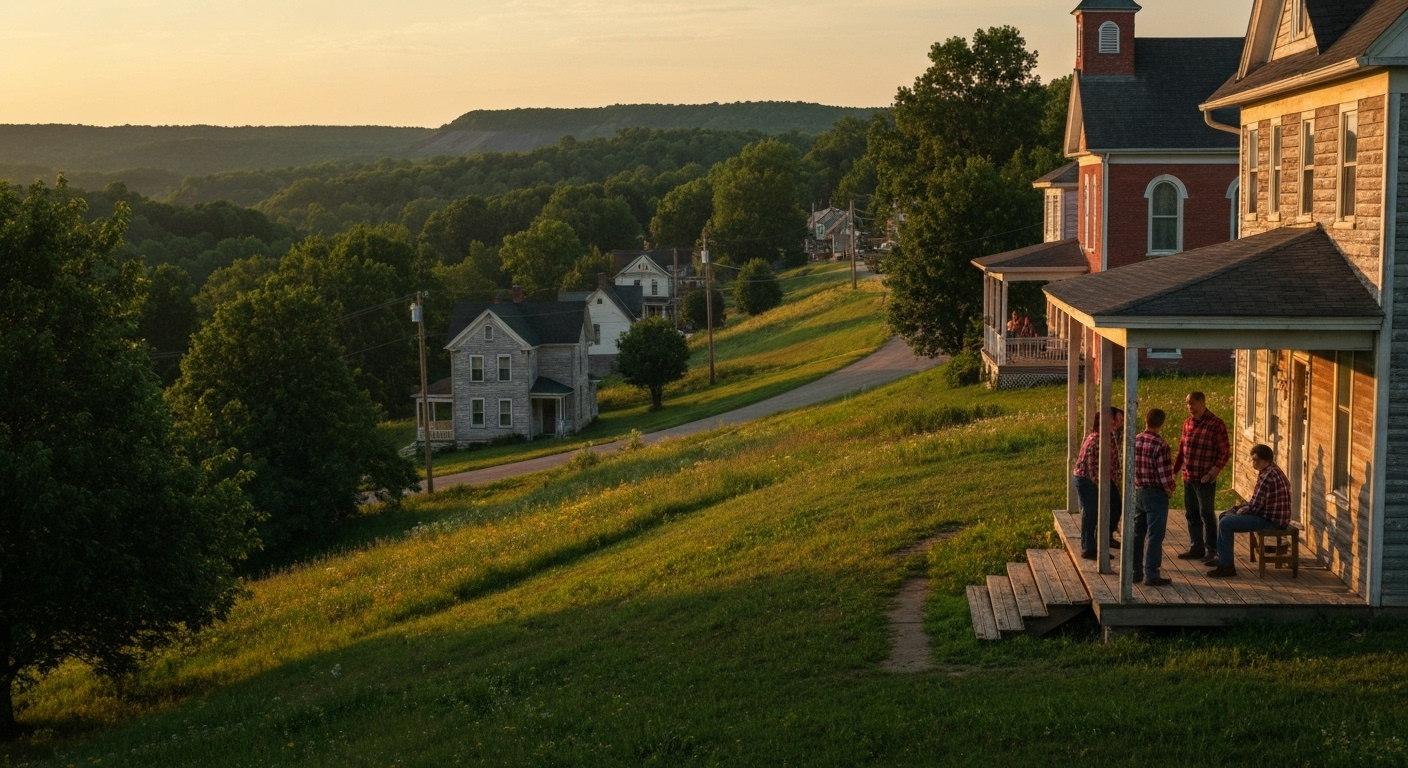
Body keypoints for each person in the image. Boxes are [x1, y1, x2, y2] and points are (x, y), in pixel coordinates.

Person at [1207, 444, 1291, 578]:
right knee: (1225, 515)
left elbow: (1255, 507)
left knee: (1226, 522)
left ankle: (1227, 566)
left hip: (1271, 521)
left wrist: (1238, 511)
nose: (1254, 463)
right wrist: (1238, 509)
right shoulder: (1273, 470)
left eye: (1256, 460)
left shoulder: (1267, 476)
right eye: (1252, 459)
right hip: (1272, 515)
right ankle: (1222, 558)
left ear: (1266, 460)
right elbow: (1258, 503)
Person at [1172, 391, 1230, 563]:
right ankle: (1196, 546)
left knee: (1206, 513)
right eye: (1188, 404)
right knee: (1192, 513)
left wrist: (1214, 471)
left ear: (1203, 403)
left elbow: (1224, 452)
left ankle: (1212, 550)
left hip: (1205, 478)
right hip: (1189, 476)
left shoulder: (1215, 424)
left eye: (1193, 404)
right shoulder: (1187, 423)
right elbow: (1182, 450)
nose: (1191, 408)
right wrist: (1174, 471)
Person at [1132, 408, 1175, 586]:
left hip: (1138, 490)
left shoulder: (1135, 440)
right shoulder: (1161, 445)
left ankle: (1135, 571)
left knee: (1137, 533)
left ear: (1146, 420)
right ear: (1161, 423)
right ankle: (1151, 573)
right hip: (1155, 493)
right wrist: (1170, 489)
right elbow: (1164, 474)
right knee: (1155, 535)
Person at [1074, 407, 1124, 559]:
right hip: (1087, 480)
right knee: (1091, 512)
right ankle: (1089, 547)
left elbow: (1114, 461)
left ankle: (1106, 536)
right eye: (1118, 419)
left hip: (1103, 478)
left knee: (1115, 505)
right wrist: (1101, 487)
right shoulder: (1097, 439)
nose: (1120, 423)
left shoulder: (1110, 436)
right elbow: (1092, 467)